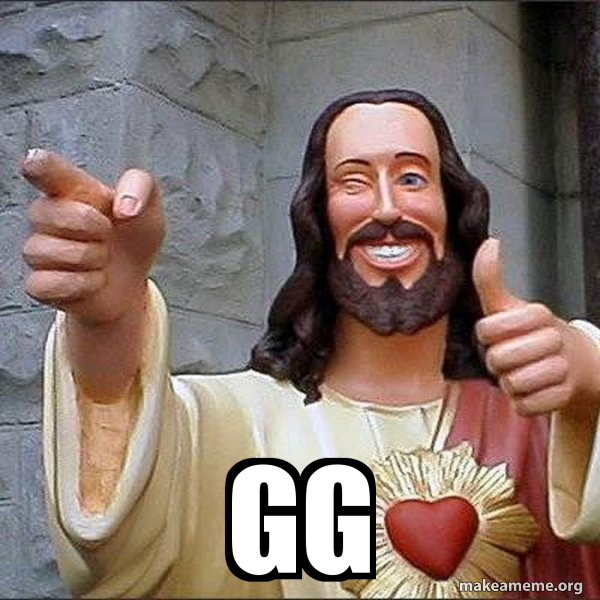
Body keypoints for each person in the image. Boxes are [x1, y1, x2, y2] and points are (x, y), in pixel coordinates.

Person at [21, 89, 600, 598]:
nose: (387, 208)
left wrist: (591, 384)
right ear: (317, 218)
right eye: (353, 182)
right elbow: (126, 539)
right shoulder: (242, 424)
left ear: (453, 209)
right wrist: (109, 323)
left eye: (411, 178)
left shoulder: (543, 426)